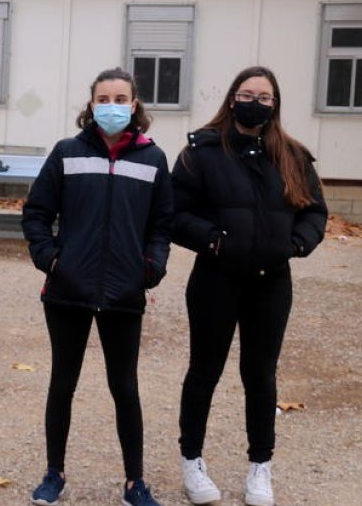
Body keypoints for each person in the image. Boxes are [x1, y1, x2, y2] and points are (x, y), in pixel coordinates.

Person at [171, 66, 327, 506]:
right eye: (247, 94)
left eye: (264, 97)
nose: (255, 102)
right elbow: (175, 212)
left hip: (270, 283)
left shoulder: (293, 156)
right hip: (216, 280)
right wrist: (212, 239)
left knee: (260, 376)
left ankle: (261, 467)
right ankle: (192, 460)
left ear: (274, 104)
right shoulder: (201, 152)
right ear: (231, 98)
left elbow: (315, 212)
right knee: (205, 371)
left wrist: (297, 243)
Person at [21, 67, 173, 506]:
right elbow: (35, 213)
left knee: (125, 387)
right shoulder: (67, 153)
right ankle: (54, 473)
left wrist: (151, 268)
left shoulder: (153, 159)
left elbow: (161, 224)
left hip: (125, 294)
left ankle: (135, 483)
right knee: (62, 383)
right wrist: (51, 260)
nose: (112, 106)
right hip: (67, 291)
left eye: (120, 98)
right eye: (103, 98)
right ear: (91, 106)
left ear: (135, 104)